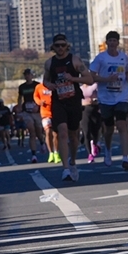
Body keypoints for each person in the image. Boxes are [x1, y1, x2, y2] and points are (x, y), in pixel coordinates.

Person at [43, 33, 92, 180]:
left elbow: (89, 79)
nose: (60, 48)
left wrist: (73, 78)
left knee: (73, 134)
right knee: (62, 132)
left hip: (74, 100)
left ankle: (73, 161)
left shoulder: (75, 60)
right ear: (53, 47)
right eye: (57, 45)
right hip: (58, 101)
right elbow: (45, 80)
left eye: (62, 45)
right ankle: (65, 169)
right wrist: (49, 85)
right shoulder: (49, 63)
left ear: (67, 46)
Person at [90, 30, 128, 171]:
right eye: (110, 40)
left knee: (122, 125)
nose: (113, 43)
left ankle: (125, 158)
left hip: (121, 96)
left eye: (115, 40)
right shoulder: (100, 58)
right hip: (106, 98)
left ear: (118, 42)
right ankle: (107, 151)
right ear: (106, 42)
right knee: (108, 129)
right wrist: (107, 79)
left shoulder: (124, 57)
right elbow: (92, 77)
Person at [17, 68, 46, 163]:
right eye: (25, 75)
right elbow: (20, 97)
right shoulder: (22, 87)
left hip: (36, 111)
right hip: (27, 111)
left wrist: (38, 106)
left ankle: (42, 142)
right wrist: (19, 106)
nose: (27, 76)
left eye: (28, 74)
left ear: (32, 75)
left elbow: (42, 96)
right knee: (31, 131)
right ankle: (34, 155)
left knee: (38, 131)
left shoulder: (37, 85)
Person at [34, 80, 58, 163]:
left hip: (56, 112)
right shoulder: (39, 87)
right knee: (48, 132)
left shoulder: (55, 84)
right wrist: (40, 102)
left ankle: (56, 152)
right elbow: (35, 97)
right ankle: (50, 152)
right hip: (45, 113)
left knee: (55, 133)